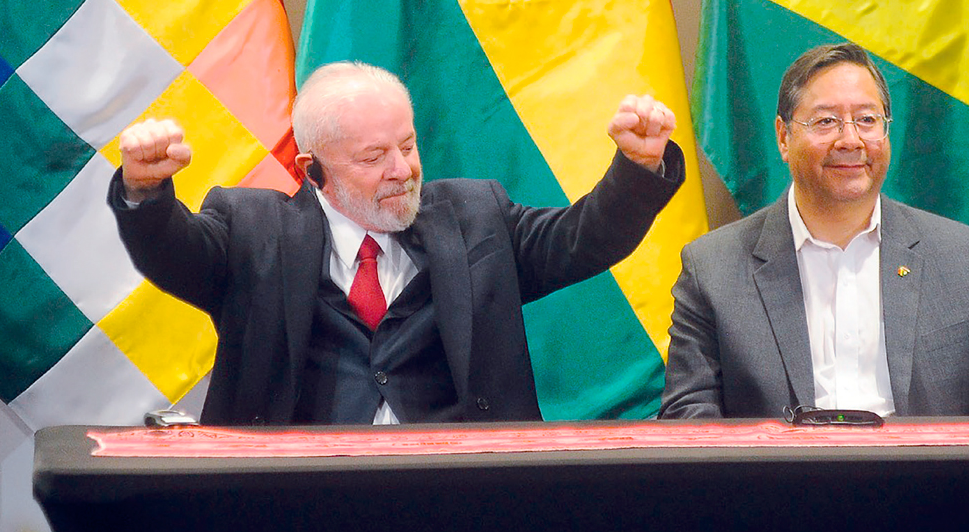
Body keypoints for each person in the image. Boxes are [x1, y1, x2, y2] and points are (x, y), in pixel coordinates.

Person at [110, 61, 684, 426]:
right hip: (296, 496)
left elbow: (579, 240)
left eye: (407, 146)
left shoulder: (474, 214)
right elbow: (174, 252)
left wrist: (637, 166)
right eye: (372, 157)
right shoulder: (251, 228)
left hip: (461, 492)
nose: (402, 170)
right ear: (313, 171)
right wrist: (145, 190)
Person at [660, 43, 969, 419]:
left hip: (922, 475)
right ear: (783, 137)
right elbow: (690, 421)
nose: (850, 140)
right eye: (826, 121)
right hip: (780, 476)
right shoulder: (713, 268)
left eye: (867, 120)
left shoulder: (958, 257)